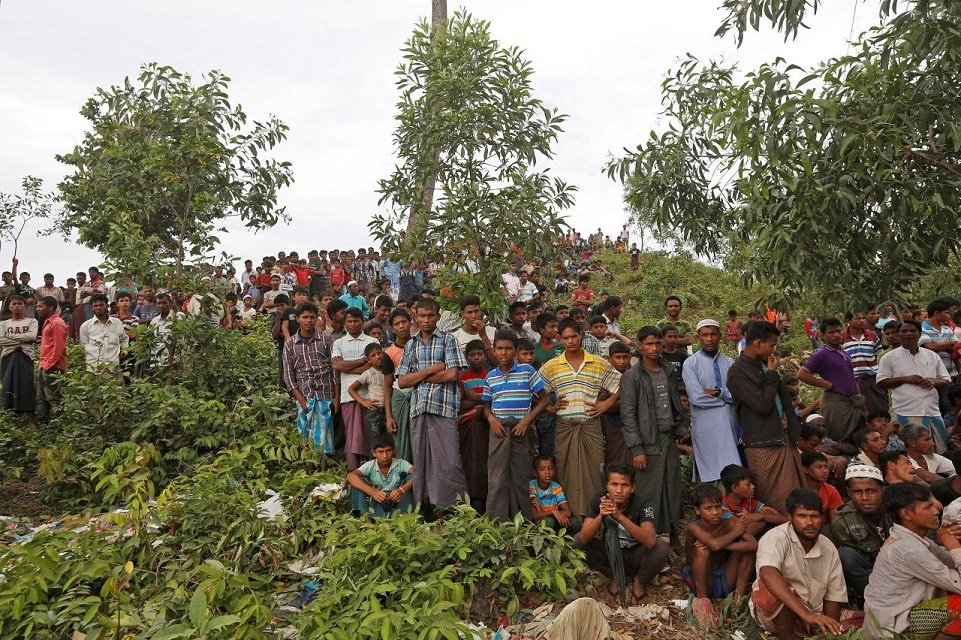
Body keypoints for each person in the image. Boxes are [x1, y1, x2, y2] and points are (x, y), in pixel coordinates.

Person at [538, 317, 620, 517]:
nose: (570, 341)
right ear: (560, 338)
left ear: (581, 335)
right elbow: (535, 388)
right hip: (565, 426)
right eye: (565, 338)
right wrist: (549, 407)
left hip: (590, 425)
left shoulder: (598, 362)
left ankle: (595, 515)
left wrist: (607, 404)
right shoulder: (552, 365)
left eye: (574, 336)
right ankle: (572, 517)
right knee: (566, 470)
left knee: (595, 469)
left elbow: (622, 384)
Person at [396, 298, 470, 512]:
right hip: (419, 408)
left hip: (444, 408)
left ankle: (453, 507)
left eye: (430, 316)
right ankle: (426, 507)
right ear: (415, 317)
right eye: (422, 316)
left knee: (449, 461)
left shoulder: (449, 340)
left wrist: (418, 376)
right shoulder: (411, 344)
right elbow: (402, 381)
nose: (426, 320)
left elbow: (452, 374)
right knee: (422, 459)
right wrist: (431, 370)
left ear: (437, 317)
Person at [863, 482, 961, 639]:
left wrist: (954, 544)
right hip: (893, 628)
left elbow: (953, 564)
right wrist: (953, 545)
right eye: (928, 507)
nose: (937, 511)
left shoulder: (912, 539)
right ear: (907, 514)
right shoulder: (909, 549)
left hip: (903, 615)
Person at [620, 326, 689, 541]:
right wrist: (637, 448)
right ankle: (648, 536)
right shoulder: (632, 377)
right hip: (648, 440)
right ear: (639, 346)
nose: (654, 348)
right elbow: (628, 414)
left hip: (668, 437)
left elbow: (673, 402)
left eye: (658, 343)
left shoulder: (668, 370)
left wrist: (681, 425)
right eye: (649, 344)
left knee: (670, 483)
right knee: (649, 489)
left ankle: (669, 531)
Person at [728, 321, 804, 513]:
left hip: (781, 437)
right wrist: (771, 375)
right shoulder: (737, 371)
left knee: (793, 498)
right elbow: (762, 405)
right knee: (774, 503)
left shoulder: (763, 364)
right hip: (762, 443)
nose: (773, 349)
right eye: (771, 344)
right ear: (757, 342)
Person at [749, 488, 847, 637]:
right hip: (778, 617)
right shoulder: (775, 538)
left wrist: (829, 630)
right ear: (790, 517)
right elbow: (767, 573)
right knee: (768, 588)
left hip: (815, 616)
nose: (809, 522)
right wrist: (806, 615)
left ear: (822, 518)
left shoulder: (828, 547)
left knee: (866, 617)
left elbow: (833, 597)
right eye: (802, 516)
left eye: (814, 516)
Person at [575, 464, 671, 602]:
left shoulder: (642, 504)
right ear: (607, 486)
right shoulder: (599, 500)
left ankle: (639, 580)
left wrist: (620, 516)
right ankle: (615, 576)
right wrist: (601, 515)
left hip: (636, 556)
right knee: (576, 541)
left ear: (632, 488)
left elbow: (650, 541)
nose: (619, 490)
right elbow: (583, 538)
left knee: (661, 546)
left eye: (624, 485)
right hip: (611, 554)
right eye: (614, 484)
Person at [482, 330, 550, 520]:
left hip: (522, 430)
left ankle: (524, 521)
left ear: (515, 351)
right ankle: (497, 521)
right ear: (494, 351)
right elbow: (485, 407)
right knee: (497, 477)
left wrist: (526, 421)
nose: (504, 353)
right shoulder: (490, 377)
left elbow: (544, 401)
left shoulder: (527, 371)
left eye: (508, 349)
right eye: (499, 349)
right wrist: (492, 420)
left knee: (521, 476)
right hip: (498, 431)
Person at [684, 484, 757, 626]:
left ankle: (737, 600)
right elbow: (715, 545)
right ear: (697, 510)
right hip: (699, 579)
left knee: (746, 550)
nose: (715, 512)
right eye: (708, 508)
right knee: (703, 550)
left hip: (723, 577)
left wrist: (725, 545)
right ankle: (703, 601)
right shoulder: (694, 527)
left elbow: (754, 545)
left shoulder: (728, 522)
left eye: (718, 507)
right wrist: (735, 533)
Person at [878, 319, 952, 453]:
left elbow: (946, 380)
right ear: (899, 334)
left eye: (912, 331)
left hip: (932, 411)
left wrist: (933, 382)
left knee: (940, 451)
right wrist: (906, 379)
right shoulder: (889, 357)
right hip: (905, 411)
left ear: (919, 334)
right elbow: (881, 382)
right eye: (904, 331)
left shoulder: (932, 356)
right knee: (910, 452)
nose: (908, 334)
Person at [682, 319, 740, 484]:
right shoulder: (691, 364)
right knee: (708, 472)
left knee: (732, 473)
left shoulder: (730, 363)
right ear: (698, 337)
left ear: (720, 336)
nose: (709, 339)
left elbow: (738, 394)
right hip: (705, 426)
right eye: (705, 335)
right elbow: (697, 398)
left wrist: (718, 393)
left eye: (713, 334)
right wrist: (727, 399)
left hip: (730, 424)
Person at [796, 317, 863, 444]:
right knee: (838, 437)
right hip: (835, 402)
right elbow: (801, 374)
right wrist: (825, 384)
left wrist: (859, 397)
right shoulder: (821, 354)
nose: (836, 335)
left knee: (855, 437)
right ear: (823, 335)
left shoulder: (844, 353)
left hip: (852, 402)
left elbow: (851, 377)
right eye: (831, 332)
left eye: (838, 331)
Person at [831, 463, 890, 607]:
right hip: (872, 571)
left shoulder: (896, 507)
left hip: (903, 562)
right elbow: (854, 560)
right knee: (845, 555)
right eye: (857, 492)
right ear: (849, 493)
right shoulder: (842, 520)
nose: (864, 497)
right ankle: (876, 598)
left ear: (882, 490)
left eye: (871, 491)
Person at [283, 302, 337, 452]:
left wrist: (335, 397)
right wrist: (301, 400)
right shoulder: (290, 344)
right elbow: (288, 376)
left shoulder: (325, 339)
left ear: (316, 319)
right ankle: (308, 468)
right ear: (298, 319)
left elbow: (334, 371)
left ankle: (323, 469)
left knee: (325, 437)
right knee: (304, 437)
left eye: (312, 317)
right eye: (305, 317)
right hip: (304, 396)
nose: (308, 320)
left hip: (325, 395)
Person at [333, 307, 379, 470]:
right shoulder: (339, 342)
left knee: (369, 434)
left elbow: (374, 366)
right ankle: (355, 470)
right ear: (344, 324)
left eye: (356, 321)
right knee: (353, 435)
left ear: (362, 322)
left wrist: (347, 367)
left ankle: (371, 470)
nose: (352, 324)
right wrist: (362, 361)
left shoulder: (372, 342)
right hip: (348, 396)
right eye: (349, 321)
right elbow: (337, 365)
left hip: (371, 395)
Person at [347, 433, 415, 518]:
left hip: (399, 505)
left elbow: (417, 474)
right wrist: (373, 492)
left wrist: (402, 490)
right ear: (374, 453)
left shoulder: (401, 463)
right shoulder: (370, 465)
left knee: (411, 479)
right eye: (380, 452)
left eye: (388, 451)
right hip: (376, 506)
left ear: (393, 451)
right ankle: (367, 521)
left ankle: (409, 518)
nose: (385, 455)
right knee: (357, 483)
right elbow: (350, 477)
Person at [458, 339, 490, 511]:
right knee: (471, 461)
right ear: (467, 358)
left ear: (485, 356)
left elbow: (493, 402)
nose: (476, 358)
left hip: (488, 424)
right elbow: (459, 405)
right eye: (472, 355)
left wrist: (474, 397)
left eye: (479, 354)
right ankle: (474, 497)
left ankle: (485, 497)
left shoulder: (491, 376)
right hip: (468, 426)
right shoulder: (462, 378)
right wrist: (480, 400)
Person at [719, 464, 787, 537]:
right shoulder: (720, 506)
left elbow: (784, 520)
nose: (753, 486)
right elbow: (740, 532)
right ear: (735, 488)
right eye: (748, 484)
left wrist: (761, 516)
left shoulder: (748, 501)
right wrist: (762, 519)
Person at [842, 309, 887, 415]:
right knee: (862, 411)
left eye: (863, 318)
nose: (861, 321)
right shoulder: (842, 338)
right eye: (858, 318)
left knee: (880, 407)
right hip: (854, 380)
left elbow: (878, 355)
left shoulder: (872, 335)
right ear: (849, 320)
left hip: (873, 378)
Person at [0, 295, 38, 416]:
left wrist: (10, 336)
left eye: (20, 303)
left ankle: (29, 415)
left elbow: (31, 337)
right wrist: (22, 340)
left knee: (26, 385)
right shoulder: (3, 324)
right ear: (10, 307)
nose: (17, 306)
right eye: (14, 304)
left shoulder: (32, 321)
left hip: (26, 356)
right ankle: (11, 416)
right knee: (8, 385)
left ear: (25, 306)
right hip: (8, 356)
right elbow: (1, 340)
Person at [348, 342, 388, 453]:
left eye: (379, 353)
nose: (378, 357)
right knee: (375, 441)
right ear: (369, 360)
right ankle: (373, 465)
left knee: (389, 440)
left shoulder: (390, 371)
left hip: (389, 411)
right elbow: (351, 389)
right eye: (373, 355)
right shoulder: (368, 373)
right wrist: (363, 401)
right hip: (374, 412)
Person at [35, 296, 67, 422]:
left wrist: (49, 364)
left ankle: (58, 425)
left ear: (50, 308)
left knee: (54, 397)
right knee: (42, 396)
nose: (37, 309)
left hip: (53, 365)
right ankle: (44, 425)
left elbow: (58, 347)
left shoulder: (57, 323)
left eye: (40, 306)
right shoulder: (48, 321)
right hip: (45, 364)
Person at [79, 293, 129, 371]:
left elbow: (124, 339)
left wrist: (123, 353)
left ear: (107, 306)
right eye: (95, 306)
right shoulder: (85, 326)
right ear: (92, 308)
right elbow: (83, 346)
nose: (98, 307)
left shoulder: (117, 323)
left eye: (101, 305)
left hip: (114, 368)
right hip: (93, 370)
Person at [529, 456, 576, 530]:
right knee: (549, 522)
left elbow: (567, 512)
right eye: (542, 469)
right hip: (541, 522)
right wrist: (553, 512)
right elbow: (535, 515)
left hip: (555, 519)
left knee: (576, 522)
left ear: (554, 471)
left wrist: (555, 512)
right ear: (535, 473)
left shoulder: (556, 486)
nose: (547, 472)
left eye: (550, 468)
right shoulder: (531, 486)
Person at [800, 450, 843, 525]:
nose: (825, 471)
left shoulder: (831, 490)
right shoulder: (795, 488)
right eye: (819, 467)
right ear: (806, 469)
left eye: (826, 467)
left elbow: (836, 521)